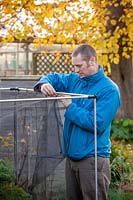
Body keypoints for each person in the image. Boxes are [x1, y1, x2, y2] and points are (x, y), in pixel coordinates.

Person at [34, 44, 120, 200]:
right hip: (72, 157)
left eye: (79, 66)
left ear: (92, 61)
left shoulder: (109, 90)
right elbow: (53, 77)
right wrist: (44, 84)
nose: (76, 70)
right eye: (74, 66)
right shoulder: (75, 79)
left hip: (93, 159)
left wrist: (70, 106)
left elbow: (97, 124)